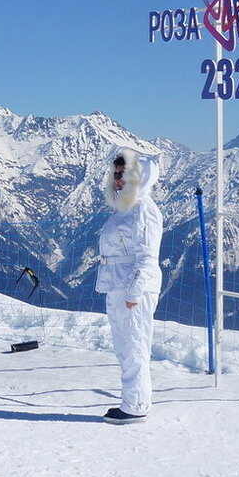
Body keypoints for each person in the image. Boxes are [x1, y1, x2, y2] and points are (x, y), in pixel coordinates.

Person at [95, 146, 163, 425]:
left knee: (134, 345)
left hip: (131, 290)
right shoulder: (126, 209)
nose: (118, 179)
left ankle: (135, 406)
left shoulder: (143, 211)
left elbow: (148, 257)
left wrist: (134, 292)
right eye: (116, 174)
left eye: (124, 174)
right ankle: (131, 400)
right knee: (125, 346)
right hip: (118, 286)